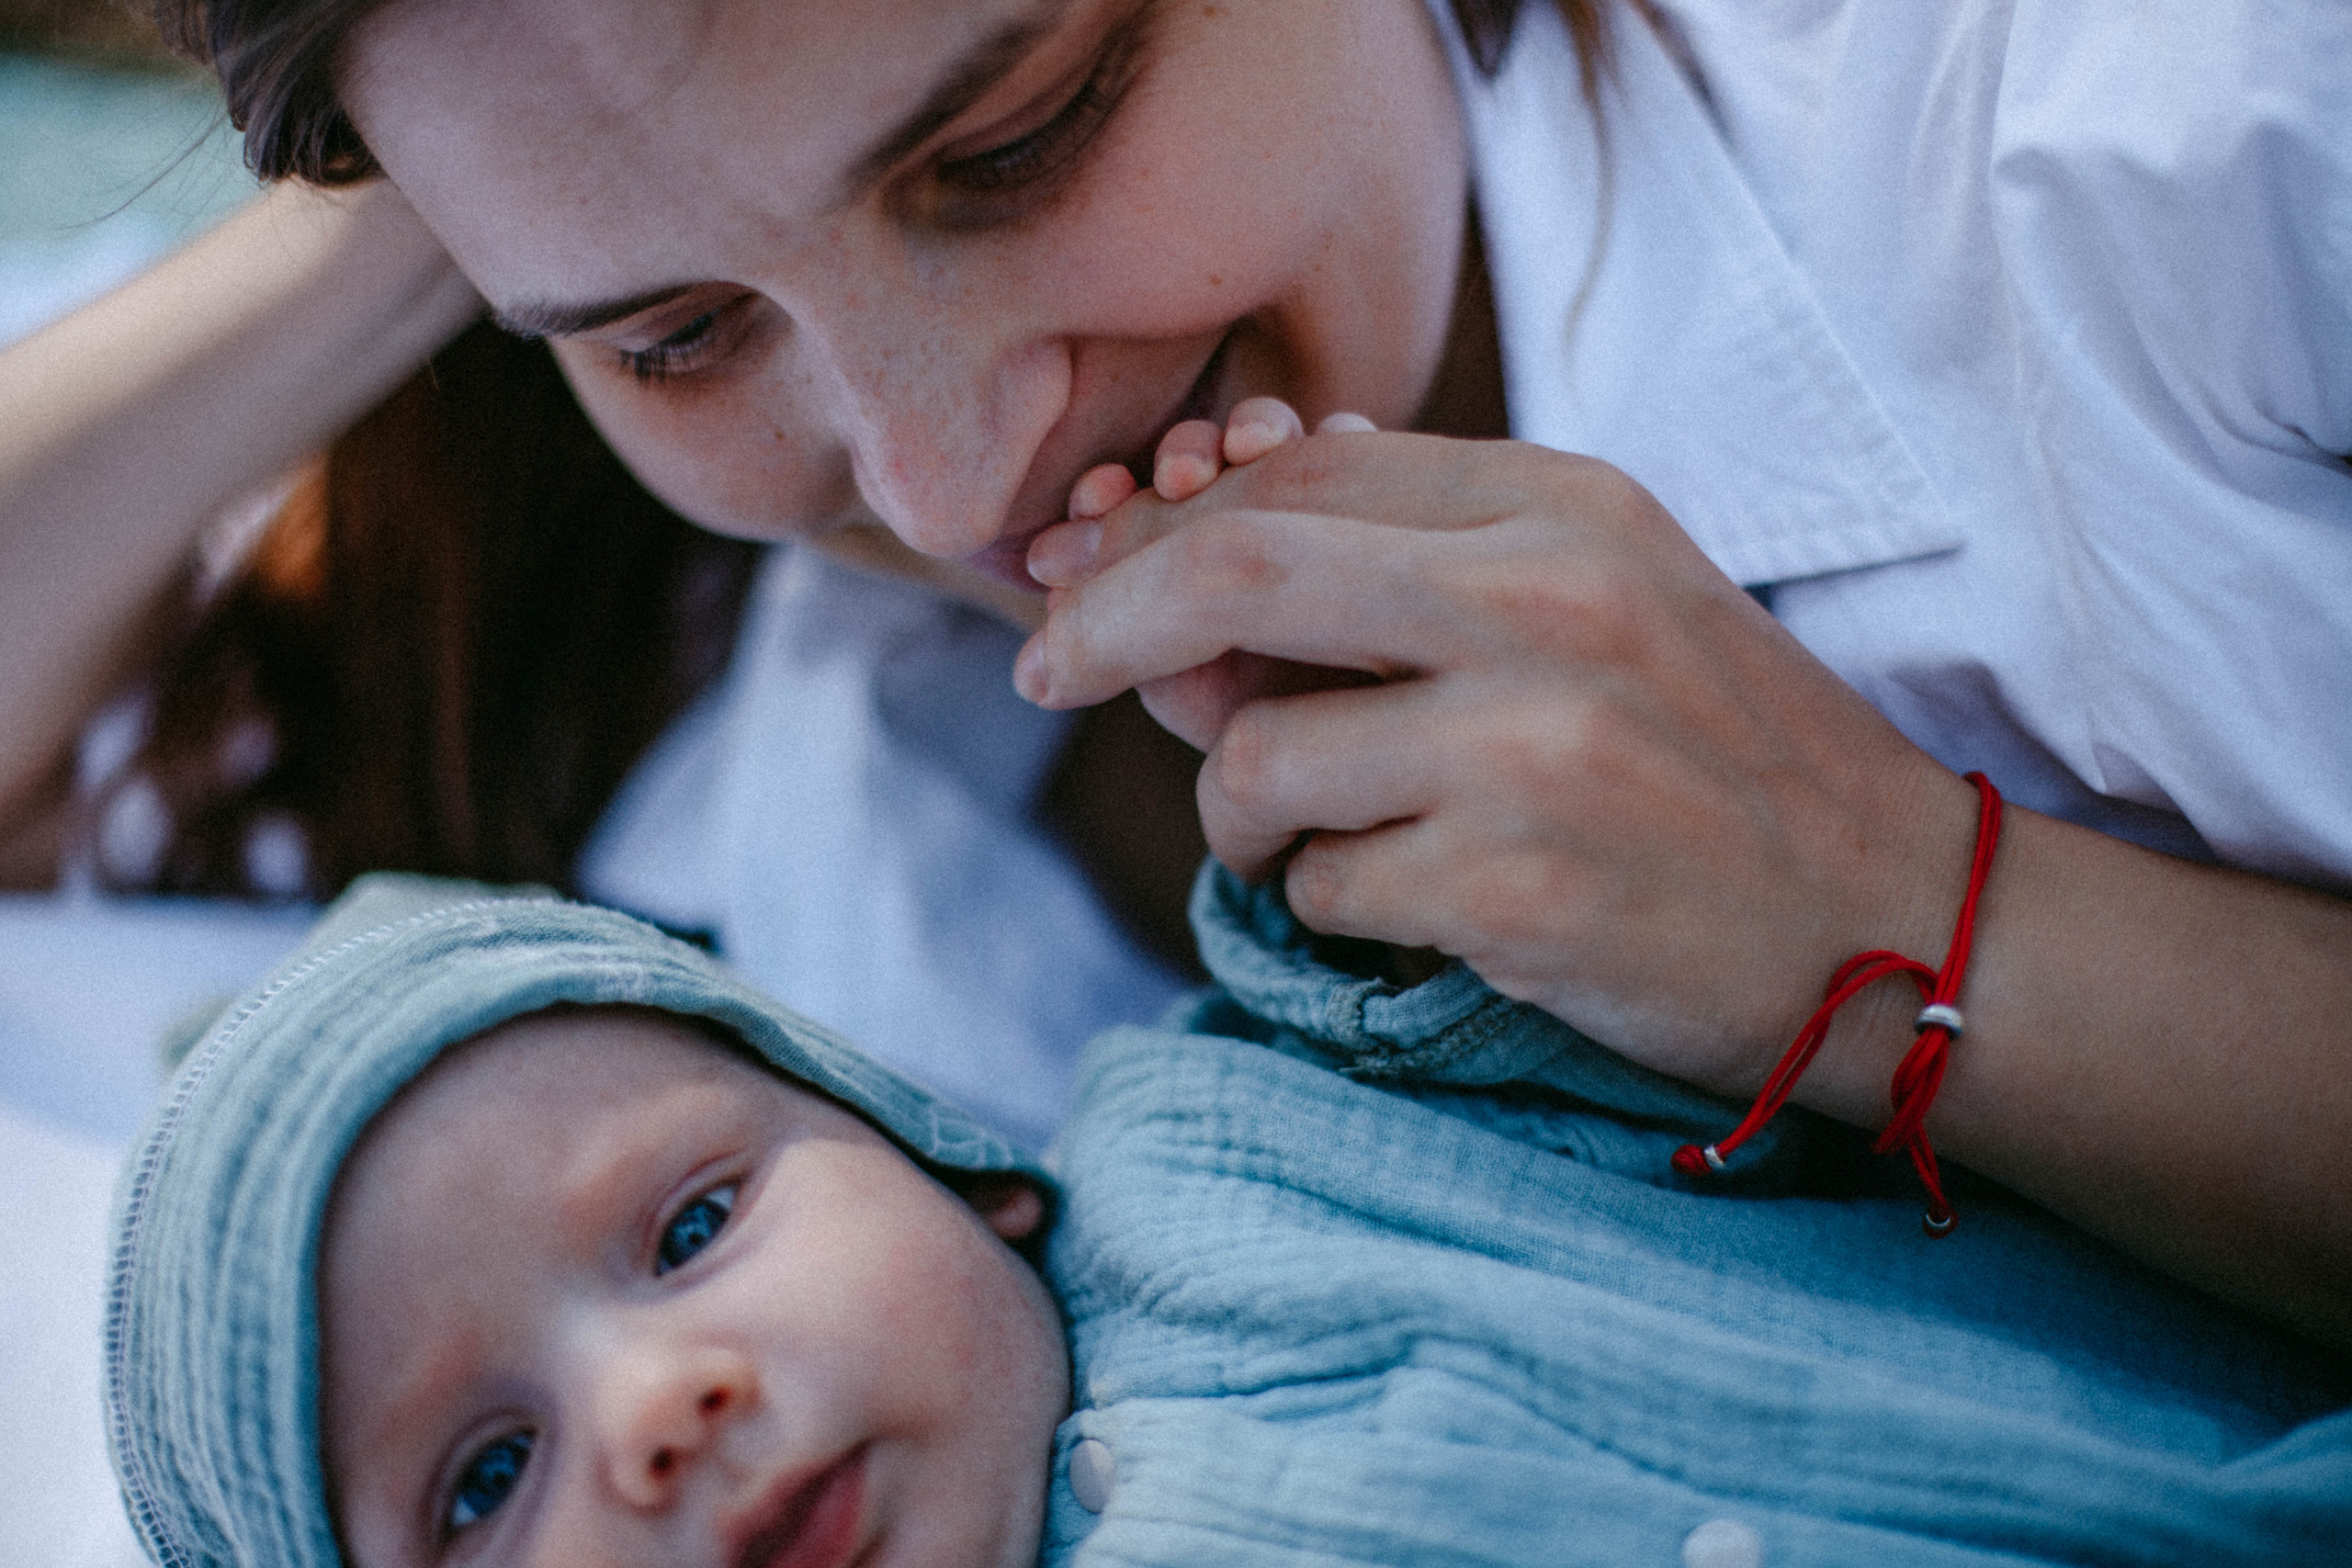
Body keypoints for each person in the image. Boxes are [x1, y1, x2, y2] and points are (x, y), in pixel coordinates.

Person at [6, 0, 2349, 1340]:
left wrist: (1909, 907)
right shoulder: (703, 671)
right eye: (676, 335)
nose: (937, 489)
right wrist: (488, 135)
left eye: (1012, 140)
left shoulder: (2178, 159)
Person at [105, 874, 2351, 1568]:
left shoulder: (1206, 1146)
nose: (657, 1410)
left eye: (691, 1223)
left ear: (944, 1162)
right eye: (480, 1478)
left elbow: (1476, 988)